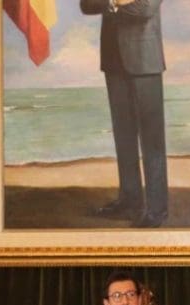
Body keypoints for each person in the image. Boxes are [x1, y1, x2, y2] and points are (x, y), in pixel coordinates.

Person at [80, 0, 169, 228]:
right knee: (123, 138)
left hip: (145, 60)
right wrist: (116, 2)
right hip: (113, 59)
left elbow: (145, 9)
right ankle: (130, 201)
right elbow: (86, 5)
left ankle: (156, 209)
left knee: (152, 141)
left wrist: (110, 5)